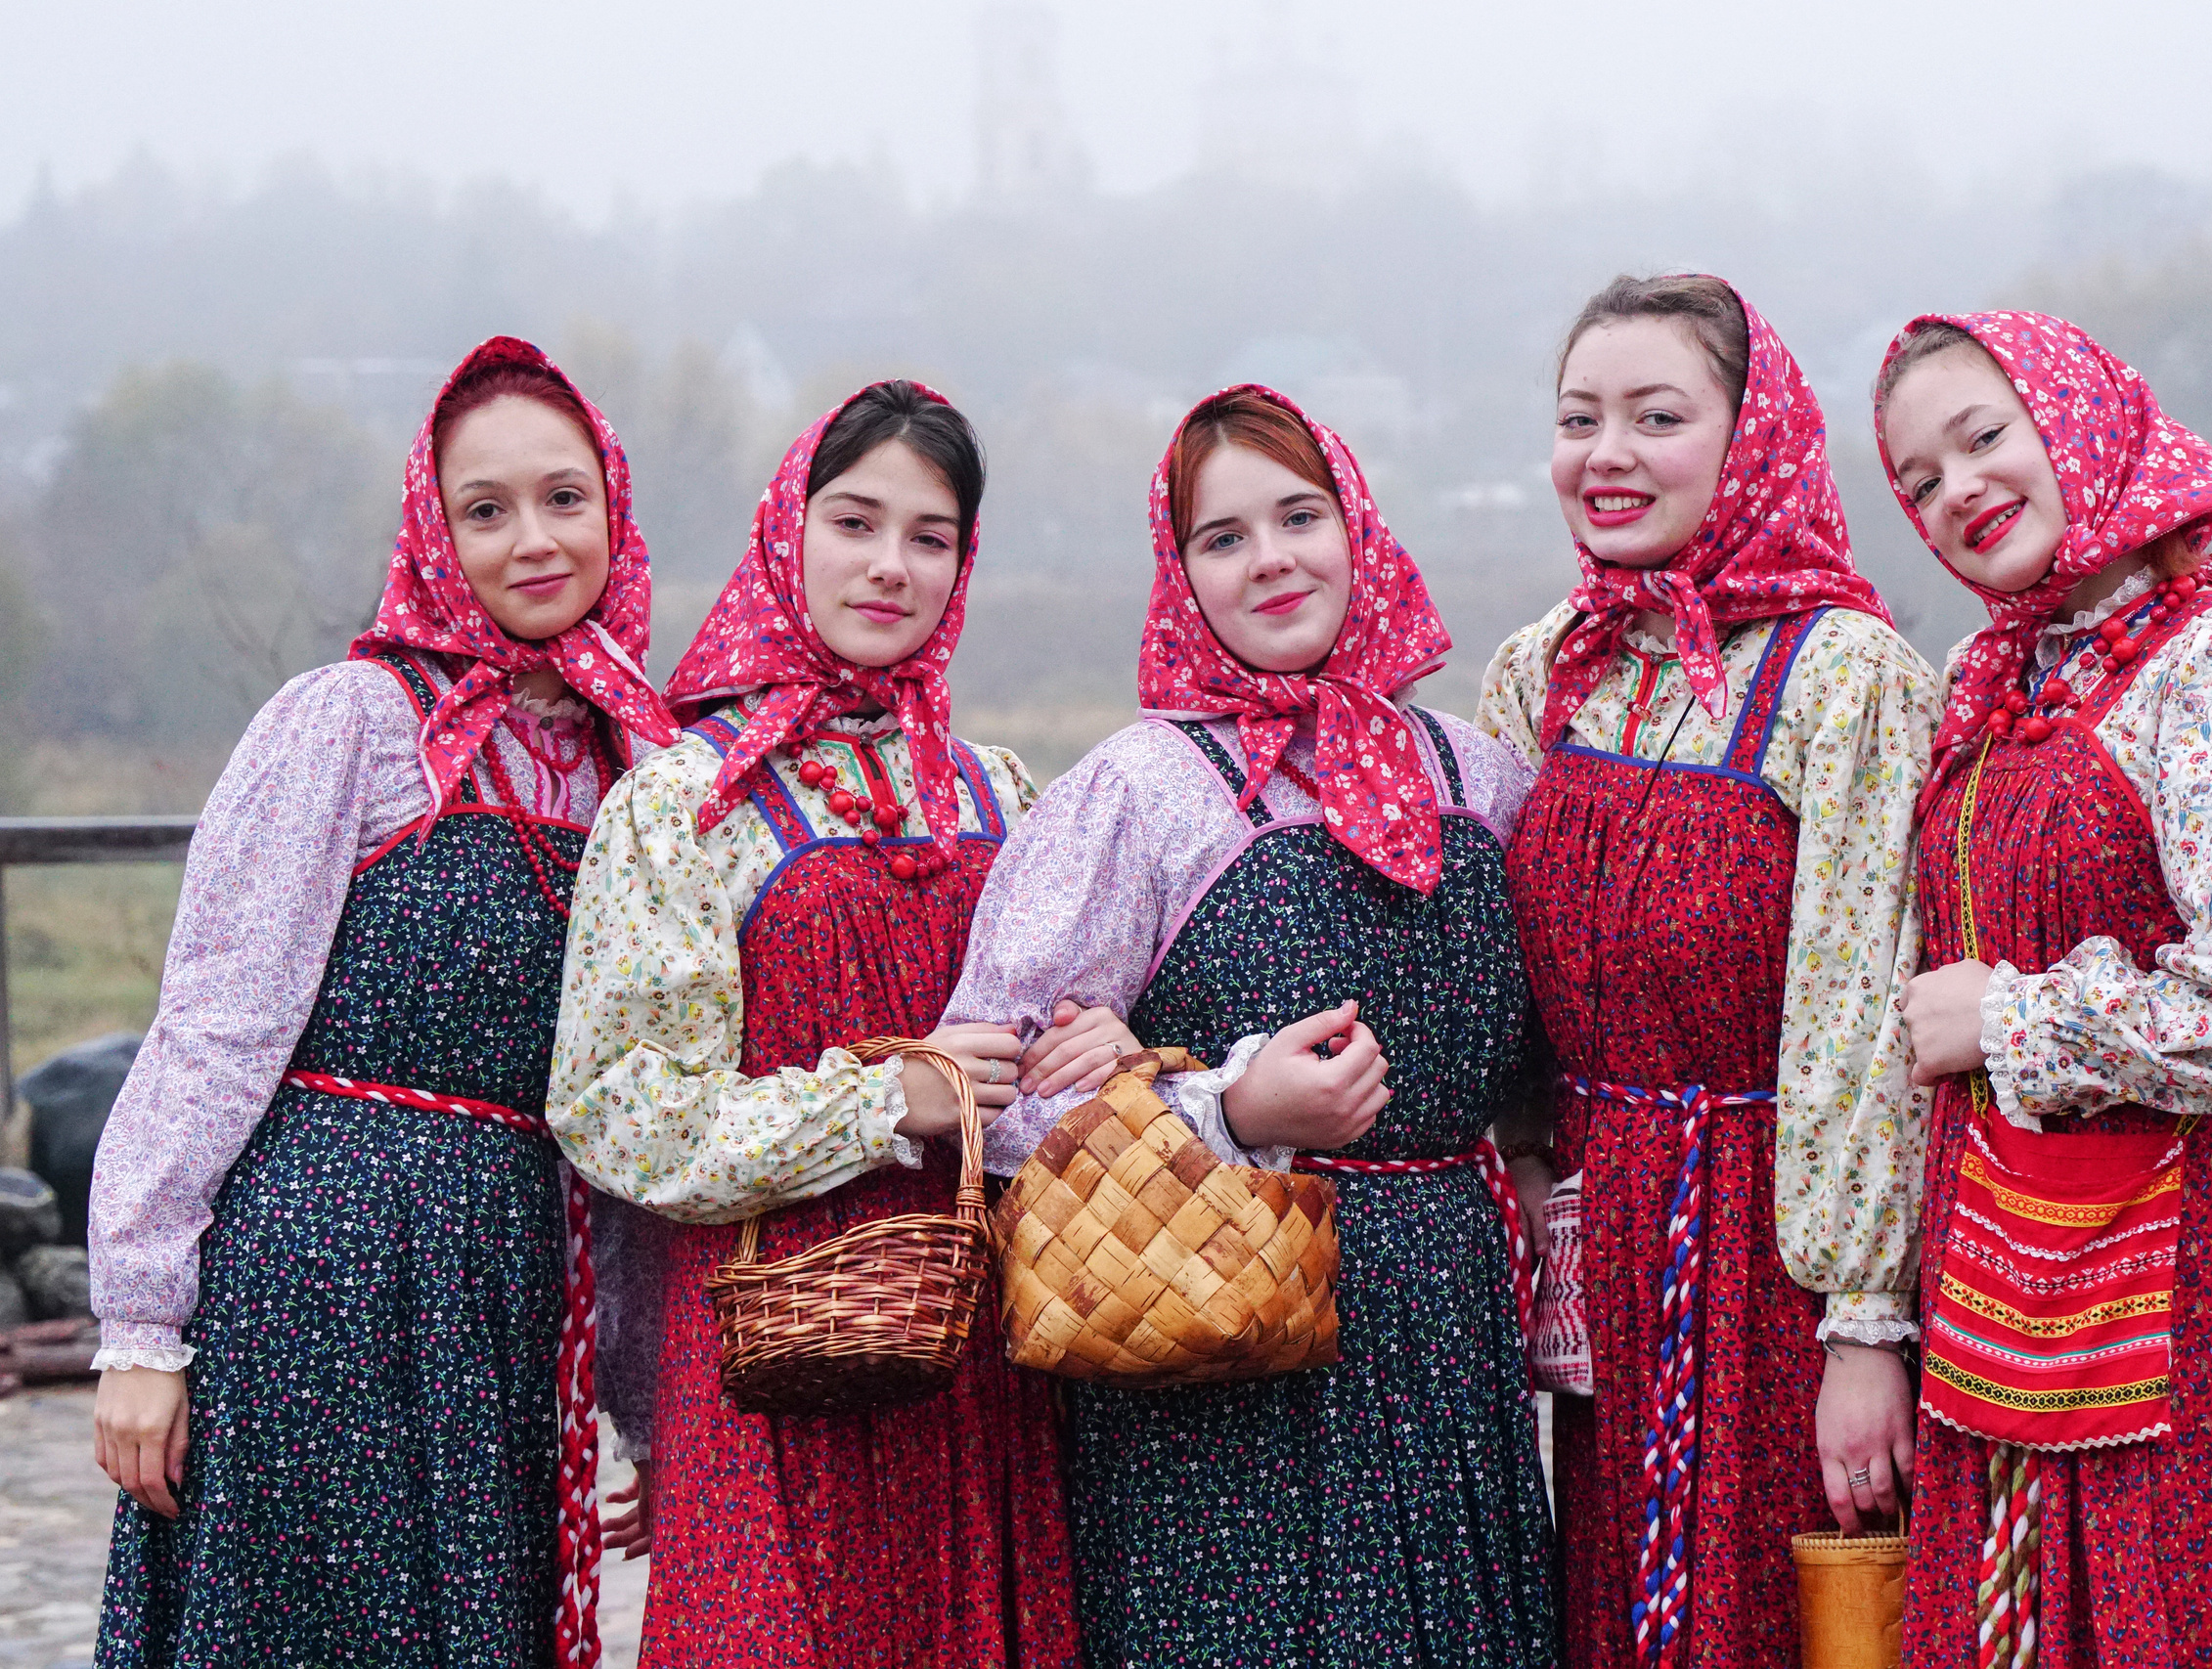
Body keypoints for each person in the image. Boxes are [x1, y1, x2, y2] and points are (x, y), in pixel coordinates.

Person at [84, 337, 681, 1667]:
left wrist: (646, 1408)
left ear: (614, 508)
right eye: (486, 509)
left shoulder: (643, 769)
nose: (532, 538)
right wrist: (139, 1329)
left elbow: (638, 1118)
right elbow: (213, 1029)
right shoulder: (350, 722)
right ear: (432, 524)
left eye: (563, 497)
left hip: (511, 1304)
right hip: (320, 1279)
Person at [946, 385, 1556, 1667]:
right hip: (1217, 1342)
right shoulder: (1140, 793)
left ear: (1359, 529)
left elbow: (1543, 1065)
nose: (1272, 558)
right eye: (1223, 538)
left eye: (1299, 515)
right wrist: (1219, 1107)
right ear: (1181, 576)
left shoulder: (1478, 776)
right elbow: (987, 1099)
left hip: (1448, 1334)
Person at [547, 380, 1120, 1668]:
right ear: (787, 531)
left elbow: (1059, 1042)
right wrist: (881, 1105)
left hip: (976, 1359)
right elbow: (617, 1111)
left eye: (932, 537)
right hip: (769, 1356)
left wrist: (1098, 1047)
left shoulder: (998, 790)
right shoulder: (684, 804)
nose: (889, 566)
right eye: (856, 521)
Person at [1876, 310, 2212, 1667]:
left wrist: (2016, 1020)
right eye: (1919, 479)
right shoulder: (1988, 682)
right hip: (1997, 1263)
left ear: (2079, 421)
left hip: (2176, 1288)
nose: (1958, 492)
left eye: (1984, 437)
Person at [1476, 274, 1937, 1668]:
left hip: (1777, 1247)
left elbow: (1865, 1019)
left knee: (1785, 1613)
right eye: (1578, 418)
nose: (1606, 454)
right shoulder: (1545, 669)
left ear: (1752, 438)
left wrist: (1863, 1328)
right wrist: (1529, 1163)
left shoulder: (1845, 677)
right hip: (1604, 1230)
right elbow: (1495, 964)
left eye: (1656, 417)